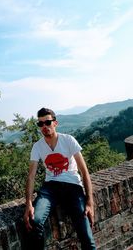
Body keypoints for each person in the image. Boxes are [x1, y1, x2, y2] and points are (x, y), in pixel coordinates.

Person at [23, 107, 96, 250]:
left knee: (86, 235)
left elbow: (84, 172)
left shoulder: (68, 140)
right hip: (50, 188)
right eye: (40, 124)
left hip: (73, 187)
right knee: (35, 221)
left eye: (47, 122)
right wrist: (28, 204)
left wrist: (90, 202)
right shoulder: (37, 147)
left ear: (55, 123)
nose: (44, 126)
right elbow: (31, 177)